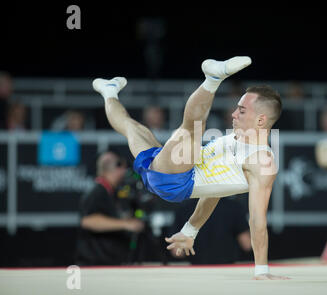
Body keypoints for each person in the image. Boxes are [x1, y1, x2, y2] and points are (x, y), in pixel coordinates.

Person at [92, 56, 289, 280]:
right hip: (168, 170)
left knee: (193, 128)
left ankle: (212, 80)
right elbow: (215, 191)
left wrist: (261, 270)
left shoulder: (261, 161)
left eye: (242, 111)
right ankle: (109, 92)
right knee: (132, 128)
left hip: (177, 179)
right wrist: (189, 231)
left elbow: (257, 219)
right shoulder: (235, 139)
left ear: (261, 121)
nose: (234, 114)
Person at [75, 151, 145, 266]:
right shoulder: (97, 191)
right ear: (116, 168)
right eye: (123, 167)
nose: (125, 172)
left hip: (107, 262)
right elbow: (88, 221)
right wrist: (126, 224)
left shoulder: (111, 192)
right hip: (94, 264)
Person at [170, 197, 251, 265]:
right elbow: (247, 244)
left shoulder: (184, 208)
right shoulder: (234, 207)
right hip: (227, 268)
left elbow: (177, 252)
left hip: (196, 269)